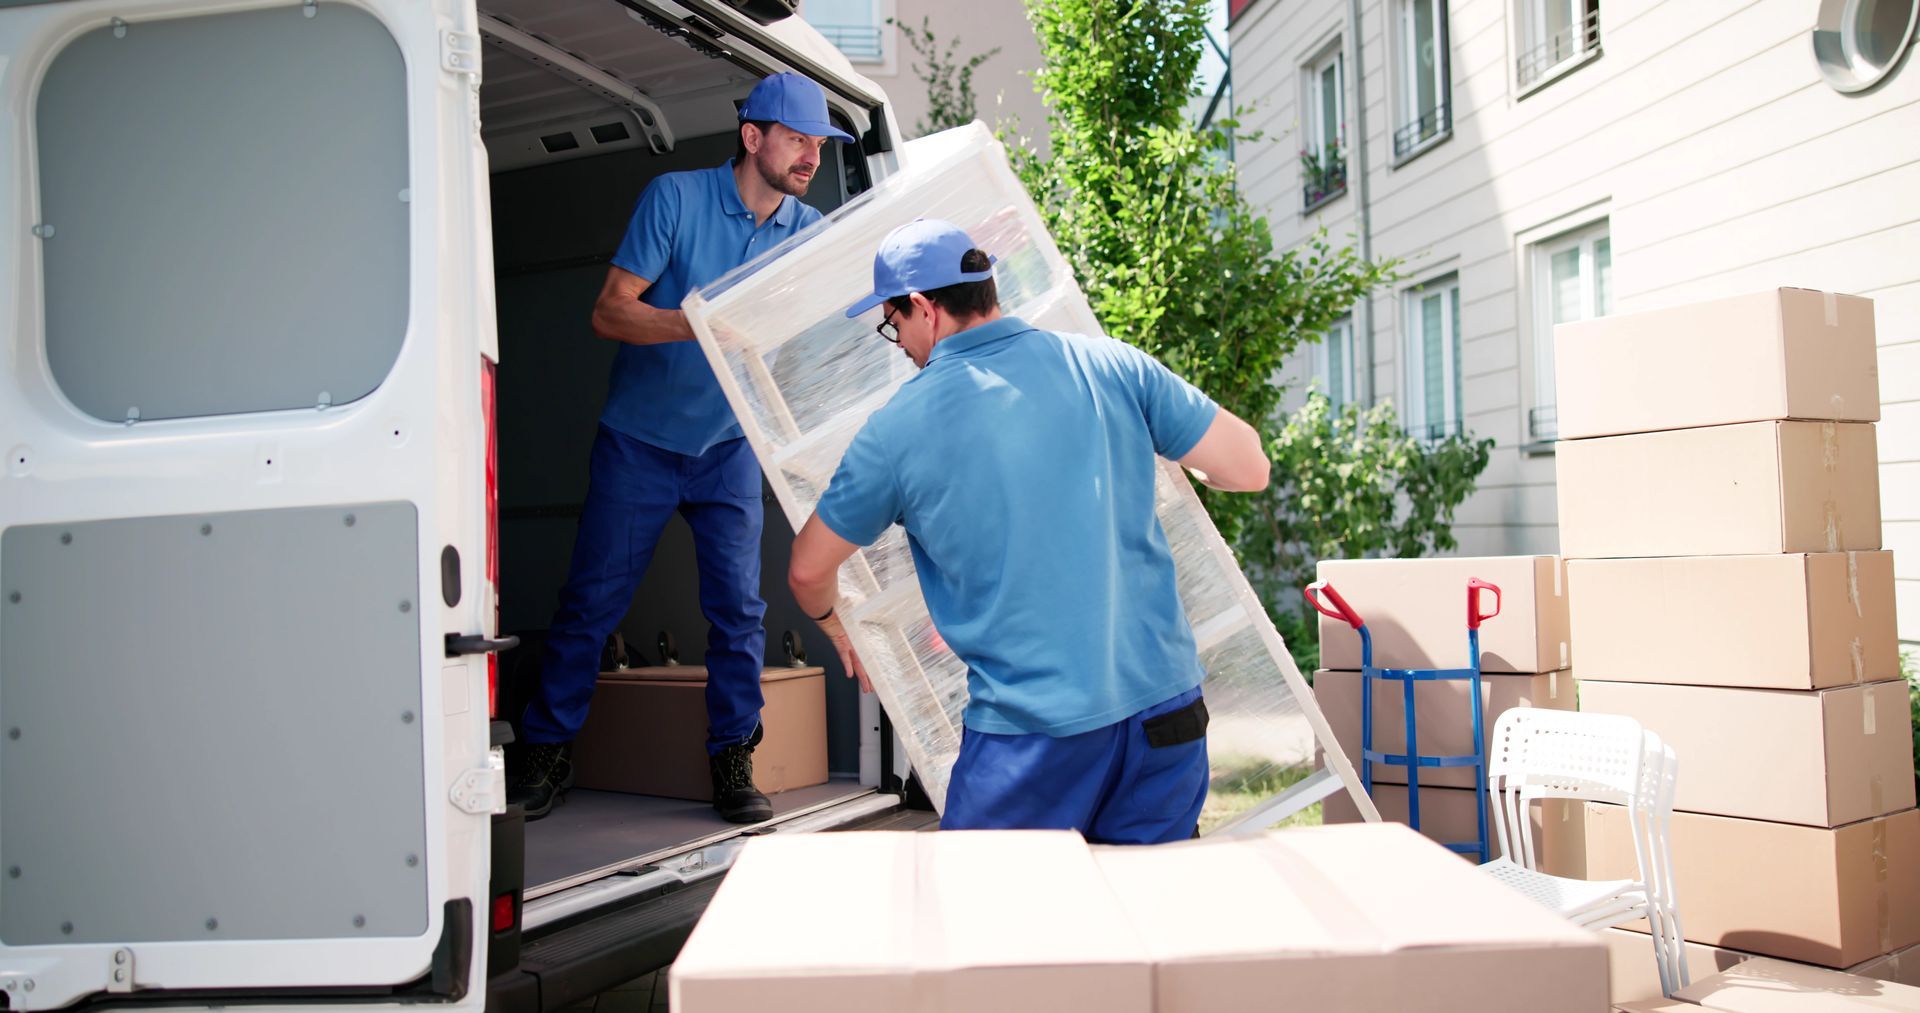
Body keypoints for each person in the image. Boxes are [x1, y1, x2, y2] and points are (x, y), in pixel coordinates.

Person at [786, 219, 1270, 844]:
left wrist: (832, 623)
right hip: (1166, 714)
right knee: (1151, 919)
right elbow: (1249, 467)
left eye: (893, 322)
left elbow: (806, 569)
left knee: (1000, 929)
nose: (897, 340)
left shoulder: (895, 430)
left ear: (926, 310)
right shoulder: (1111, 364)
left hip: (1033, 740)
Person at [509, 73, 853, 824]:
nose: (811, 156)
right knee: (591, 604)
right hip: (639, 441)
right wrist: (699, 323)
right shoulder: (675, 198)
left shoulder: (806, 229)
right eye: (797, 139)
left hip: (727, 446)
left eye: (820, 144)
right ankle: (543, 753)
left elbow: (828, 326)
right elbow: (610, 313)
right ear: (752, 136)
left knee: (739, 610)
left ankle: (735, 758)